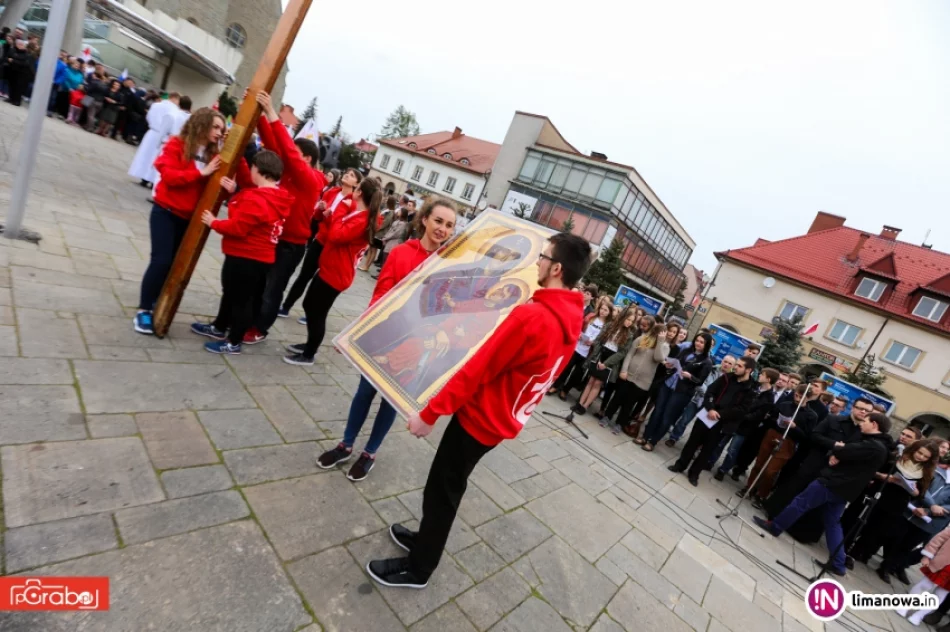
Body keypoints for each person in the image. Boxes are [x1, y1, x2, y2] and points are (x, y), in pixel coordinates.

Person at [366, 233, 593, 589]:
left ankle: (420, 567)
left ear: (557, 268)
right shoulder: (568, 318)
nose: (537, 261)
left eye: (544, 257)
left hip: (481, 418)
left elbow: (478, 368)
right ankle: (424, 540)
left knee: (442, 491)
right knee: (445, 485)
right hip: (501, 419)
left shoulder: (532, 316)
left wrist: (430, 414)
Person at [316, 199, 457, 481]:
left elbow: (445, 311)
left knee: (391, 402)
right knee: (364, 393)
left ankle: (370, 452)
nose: (443, 229)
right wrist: (366, 330)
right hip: (386, 336)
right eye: (439, 221)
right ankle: (345, 444)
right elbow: (381, 293)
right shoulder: (402, 252)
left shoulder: (449, 266)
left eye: (449, 225)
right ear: (425, 219)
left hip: (417, 346)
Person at [754, 412, 893, 577]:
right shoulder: (878, 446)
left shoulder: (874, 445)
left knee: (800, 503)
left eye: (865, 421)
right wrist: (840, 451)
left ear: (875, 425)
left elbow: (844, 450)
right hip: (844, 489)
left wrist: (838, 451)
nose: (861, 424)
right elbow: (847, 453)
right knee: (833, 523)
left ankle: (775, 526)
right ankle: (838, 563)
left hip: (833, 483)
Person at [241, 92, 326, 345]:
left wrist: (271, 113)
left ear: (307, 158)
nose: (289, 154)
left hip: (290, 245)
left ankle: (260, 328)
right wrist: (257, 113)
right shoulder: (288, 169)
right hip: (272, 237)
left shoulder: (309, 179)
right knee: (258, 284)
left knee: (271, 290)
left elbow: (286, 150)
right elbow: (273, 144)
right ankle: (250, 319)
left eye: (296, 151)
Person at [190, 150, 293, 354]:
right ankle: (220, 327)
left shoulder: (259, 198)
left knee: (241, 301)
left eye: (253, 168)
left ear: (259, 170)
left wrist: (214, 222)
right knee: (232, 295)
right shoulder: (275, 196)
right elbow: (248, 216)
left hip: (247, 256)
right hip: (255, 256)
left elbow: (239, 227)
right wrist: (237, 192)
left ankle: (233, 341)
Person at [134, 108, 226, 335]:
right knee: (161, 260)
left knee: (174, 263)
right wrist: (201, 173)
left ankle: (157, 300)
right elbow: (171, 177)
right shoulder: (178, 144)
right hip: (165, 211)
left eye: (222, 129)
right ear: (202, 124)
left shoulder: (213, 155)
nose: (219, 132)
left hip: (188, 218)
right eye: (215, 127)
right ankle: (144, 309)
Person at [283, 177, 381, 366]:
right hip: (332, 268)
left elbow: (337, 235)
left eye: (357, 187)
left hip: (336, 274)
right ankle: (309, 345)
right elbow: (337, 231)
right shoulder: (360, 214)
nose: (354, 188)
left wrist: (342, 209)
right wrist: (331, 216)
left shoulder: (361, 218)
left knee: (315, 311)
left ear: (359, 193)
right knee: (311, 306)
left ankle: (309, 353)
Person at [280, 168, 361, 319]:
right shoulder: (332, 192)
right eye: (347, 173)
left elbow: (342, 225)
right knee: (304, 275)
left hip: (332, 246)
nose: (347, 175)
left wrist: (330, 215)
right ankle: (286, 306)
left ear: (356, 184)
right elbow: (317, 217)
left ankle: (309, 314)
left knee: (320, 282)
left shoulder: (353, 202)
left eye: (351, 175)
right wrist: (320, 211)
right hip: (320, 239)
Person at [668, 356, 757, 486]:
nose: (735, 367)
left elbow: (742, 409)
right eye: (736, 365)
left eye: (739, 366)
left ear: (748, 370)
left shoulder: (751, 389)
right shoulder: (727, 377)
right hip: (707, 414)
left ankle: (694, 474)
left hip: (722, 422)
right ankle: (680, 465)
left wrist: (719, 414)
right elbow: (710, 391)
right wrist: (710, 408)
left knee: (708, 450)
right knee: (692, 442)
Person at [850, 439, 938, 569]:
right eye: (920, 453)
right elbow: (875, 472)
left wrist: (915, 492)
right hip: (879, 494)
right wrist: (885, 477)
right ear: (915, 449)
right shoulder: (897, 457)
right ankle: (846, 547)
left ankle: (854, 554)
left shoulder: (927, 473)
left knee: (875, 531)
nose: (921, 457)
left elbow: (921, 493)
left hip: (896, 505)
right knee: (861, 523)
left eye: (926, 457)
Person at [879, 440, 950, 587]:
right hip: (913, 511)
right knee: (897, 540)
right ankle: (885, 567)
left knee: (909, 546)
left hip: (932, 521)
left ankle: (893, 567)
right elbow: (924, 488)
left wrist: (929, 510)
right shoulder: (938, 472)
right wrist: (929, 505)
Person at [743, 385, 820, 506]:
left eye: (801, 397)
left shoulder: (812, 415)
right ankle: (750, 487)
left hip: (789, 441)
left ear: (808, 398)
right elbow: (772, 418)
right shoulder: (785, 404)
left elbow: (807, 436)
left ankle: (762, 494)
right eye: (796, 395)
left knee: (771, 471)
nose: (797, 398)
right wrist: (778, 421)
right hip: (773, 434)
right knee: (759, 464)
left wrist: (795, 427)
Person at [638, 332, 713, 451]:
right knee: (657, 411)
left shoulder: (707, 362)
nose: (698, 343)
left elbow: (699, 381)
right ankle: (645, 436)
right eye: (697, 340)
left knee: (667, 416)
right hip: (668, 384)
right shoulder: (687, 351)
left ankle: (653, 441)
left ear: (707, 345)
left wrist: (690, 376)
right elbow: (675, 363)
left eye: (701, 342)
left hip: (682, 391)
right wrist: (670, 365)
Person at [713, 367, 780, 479]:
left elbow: (758, 414)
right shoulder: (753, 387)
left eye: (762, 374)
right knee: (721, 443)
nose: (759, 375)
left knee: (732, 450)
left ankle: (723, 470)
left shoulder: (769, 398)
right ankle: (710, 461)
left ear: (768, 379)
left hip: (745, 427)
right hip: (733, 421)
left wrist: (742, 416)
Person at [574, 306, 637, 421]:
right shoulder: (610, 326)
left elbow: (622, 353)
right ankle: (580, 402)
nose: (629, 323)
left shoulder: (629, 335)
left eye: (632, 321)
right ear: (622, 317)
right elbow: (598, 340)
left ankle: (585, 405)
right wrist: (597, 356)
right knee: (591, 380)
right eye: (628, 319)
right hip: (600, 354)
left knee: (597, 383)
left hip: (610, 360)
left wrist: (606, 363)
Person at [548, 298, 612, 400]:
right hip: (577, 346)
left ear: (609, 313)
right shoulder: (591, 316)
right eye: (602, 309)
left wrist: (593, 343)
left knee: (577, 373)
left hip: (588, 352)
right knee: (566, 368)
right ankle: (555, 386)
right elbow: (579, 326)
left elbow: (602, 341)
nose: (602, 311)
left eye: (605, 310)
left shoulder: (607, 326)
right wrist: (578, 334)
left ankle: (565, 390)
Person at [666, 355, 736, 447]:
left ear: (733, 366)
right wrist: (709, 393)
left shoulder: (731, 379)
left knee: (701, 428)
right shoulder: (711, 369)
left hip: (710, 406)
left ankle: (695, 446)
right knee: (684, 420)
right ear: (722, 361)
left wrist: (709, 395)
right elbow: (700, 383)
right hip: (697, 399)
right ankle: (673, 438)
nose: (726, 364)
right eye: (725, 361)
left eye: (729, 363)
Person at [128, 92, 182, 188]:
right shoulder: (175, 110)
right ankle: (153, 180)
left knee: (146, 155)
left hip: (152, 133)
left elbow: (148, 117)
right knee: (157, 157)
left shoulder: (156, 105)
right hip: (164, 135)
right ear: (175, 99)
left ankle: (143, 178)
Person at [375, 207, 409, 274]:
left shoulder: (403, 224)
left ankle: (383, 273)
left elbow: (395, 233)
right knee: (385, 257)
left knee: (387, 258)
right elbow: (390, 230)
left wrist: (386, 238)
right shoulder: (397, 221)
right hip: (389, 241)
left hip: (394, 242)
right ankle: (381, 272)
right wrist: (385, 237)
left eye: (400, 211)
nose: (398, 212)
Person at [4, 39, 33, 107]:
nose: (21, 46)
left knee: (19, 88)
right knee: (11, 85)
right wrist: (10, 60)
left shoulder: (27, 54)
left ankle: (17, 101)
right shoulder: (12, 50)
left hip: (22, 74)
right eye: (19, 44)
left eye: (22, 45)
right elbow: (7, 57)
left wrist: (13, 60)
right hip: (12, 71)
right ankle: (11, 98)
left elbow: (25, 64)